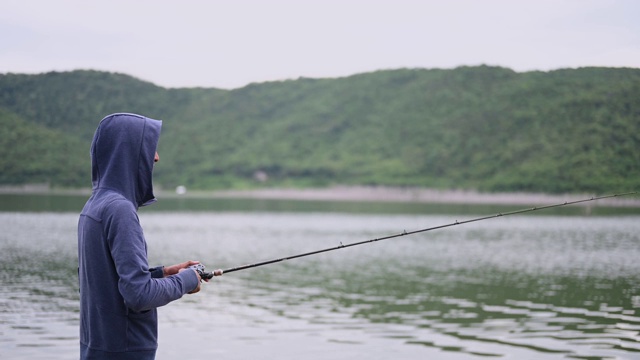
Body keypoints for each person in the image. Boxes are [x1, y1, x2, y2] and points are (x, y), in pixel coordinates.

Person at [78, 113, 203, 359]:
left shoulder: (94, 207)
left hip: (98, 349)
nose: (156, 157)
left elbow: (111, 282)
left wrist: (162, 273)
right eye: (149, 148)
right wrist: (189, 278)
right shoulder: (120, 210)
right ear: (127, 153)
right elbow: (139, 295)